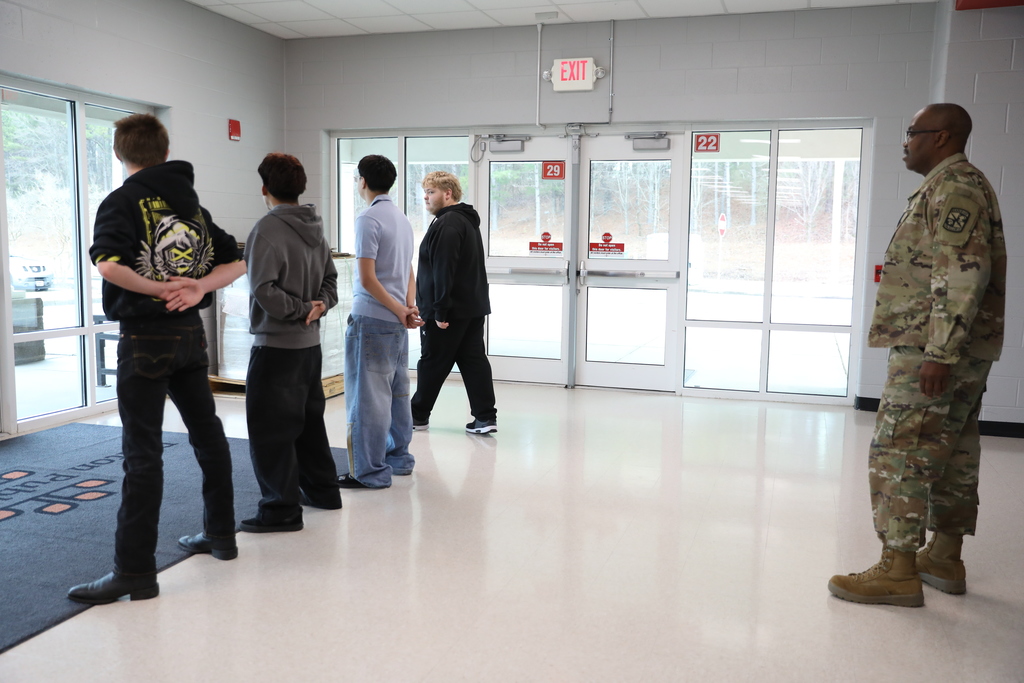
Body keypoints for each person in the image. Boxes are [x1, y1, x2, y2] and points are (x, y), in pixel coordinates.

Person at [828, 103, 1006, 607]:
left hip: (935, 351)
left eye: (912, 133)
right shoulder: (950, 186)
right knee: (951, 452)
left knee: (900, 451)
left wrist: (939, 353)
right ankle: (943, 556)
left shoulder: (955, 188)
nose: (905, 142)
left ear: (941, 137)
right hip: (953, 351)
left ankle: (898, 569)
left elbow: (964, 275)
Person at [69, 113, 246, 604]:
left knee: (142, 455)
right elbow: (236, 260)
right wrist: (195, 289)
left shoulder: (121, 201)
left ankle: (135, 572)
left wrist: (157, 289)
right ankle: (222, 535)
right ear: (165, 152)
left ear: (121, 155)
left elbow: (107, 263)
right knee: (208, 437)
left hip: (146, 339)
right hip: (190, 337)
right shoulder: (191, 206)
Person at [238, 153, 342, 533]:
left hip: (276, 347)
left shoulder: (266, 229)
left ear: (264, 189)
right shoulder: (315, 226)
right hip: (309, 347)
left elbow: (263, 290)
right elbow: (331, 280)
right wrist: (318, 306)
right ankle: (323, 491)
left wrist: (302, 309)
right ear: (300, 188)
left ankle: (280, 509)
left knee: (270, 431)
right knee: (308, 423)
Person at [338, 155, 423, 490]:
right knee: (397, 393)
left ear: (362, 181)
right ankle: (398, 458)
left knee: (367, 399)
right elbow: (408, 271)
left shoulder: (368, 219)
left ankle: (369, 471)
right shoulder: (402, 219)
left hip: (372, 320)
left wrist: (400, 309)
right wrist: (407, 307)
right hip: (396, 322)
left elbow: (367, 278)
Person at [410, 171, 497, 435]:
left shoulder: (448, 224)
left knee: (432, 362)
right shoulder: (464, 221)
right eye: (424, 192)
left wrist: (439, 310)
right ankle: (485, 417)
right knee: (473, 361)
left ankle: (416, 417)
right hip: (470, 308)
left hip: (448, 311)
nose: (426, 197)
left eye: (432, 192)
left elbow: (443, 270)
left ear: (448, 194)